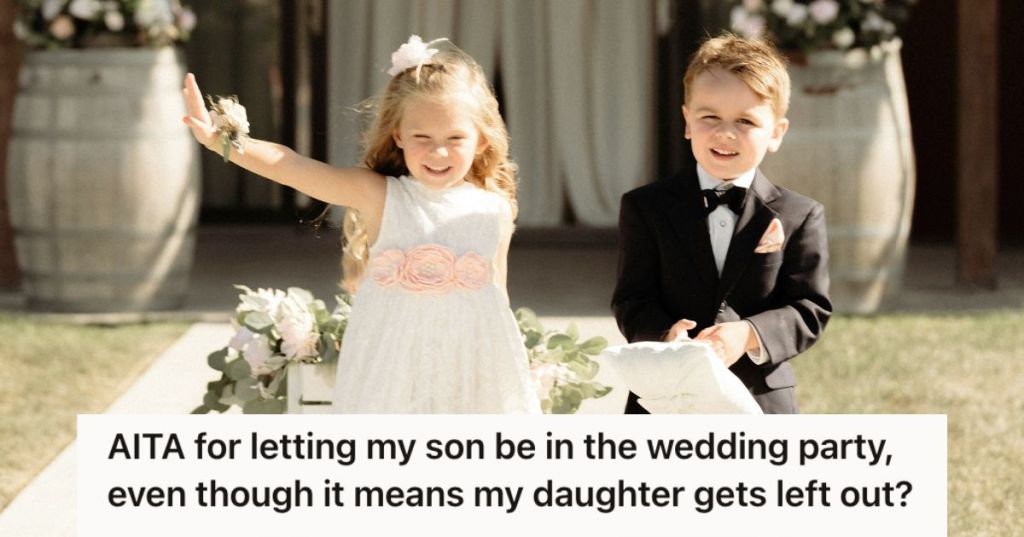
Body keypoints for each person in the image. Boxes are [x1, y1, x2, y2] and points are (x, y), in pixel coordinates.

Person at [183, 36, 541, 414]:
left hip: (471, 371)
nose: (438, 152)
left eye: (455, 138)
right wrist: (221, 142)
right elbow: (289, 165)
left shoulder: (495, 209)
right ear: (399, 135)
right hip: (392, 371)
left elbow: (496, 295)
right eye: (422, 137)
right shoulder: (382, 195)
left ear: (482, 139)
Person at [611, 34, 832, 414]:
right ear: (687, 121)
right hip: (666, 397)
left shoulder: (801, 214)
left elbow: (808, 308)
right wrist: (666, 335)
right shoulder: (645, 207)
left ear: (776, 133)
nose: (725, 133)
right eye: (709, 117)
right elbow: (633, 299)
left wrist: (747, 334)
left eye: (745, 121)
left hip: (760, 399)